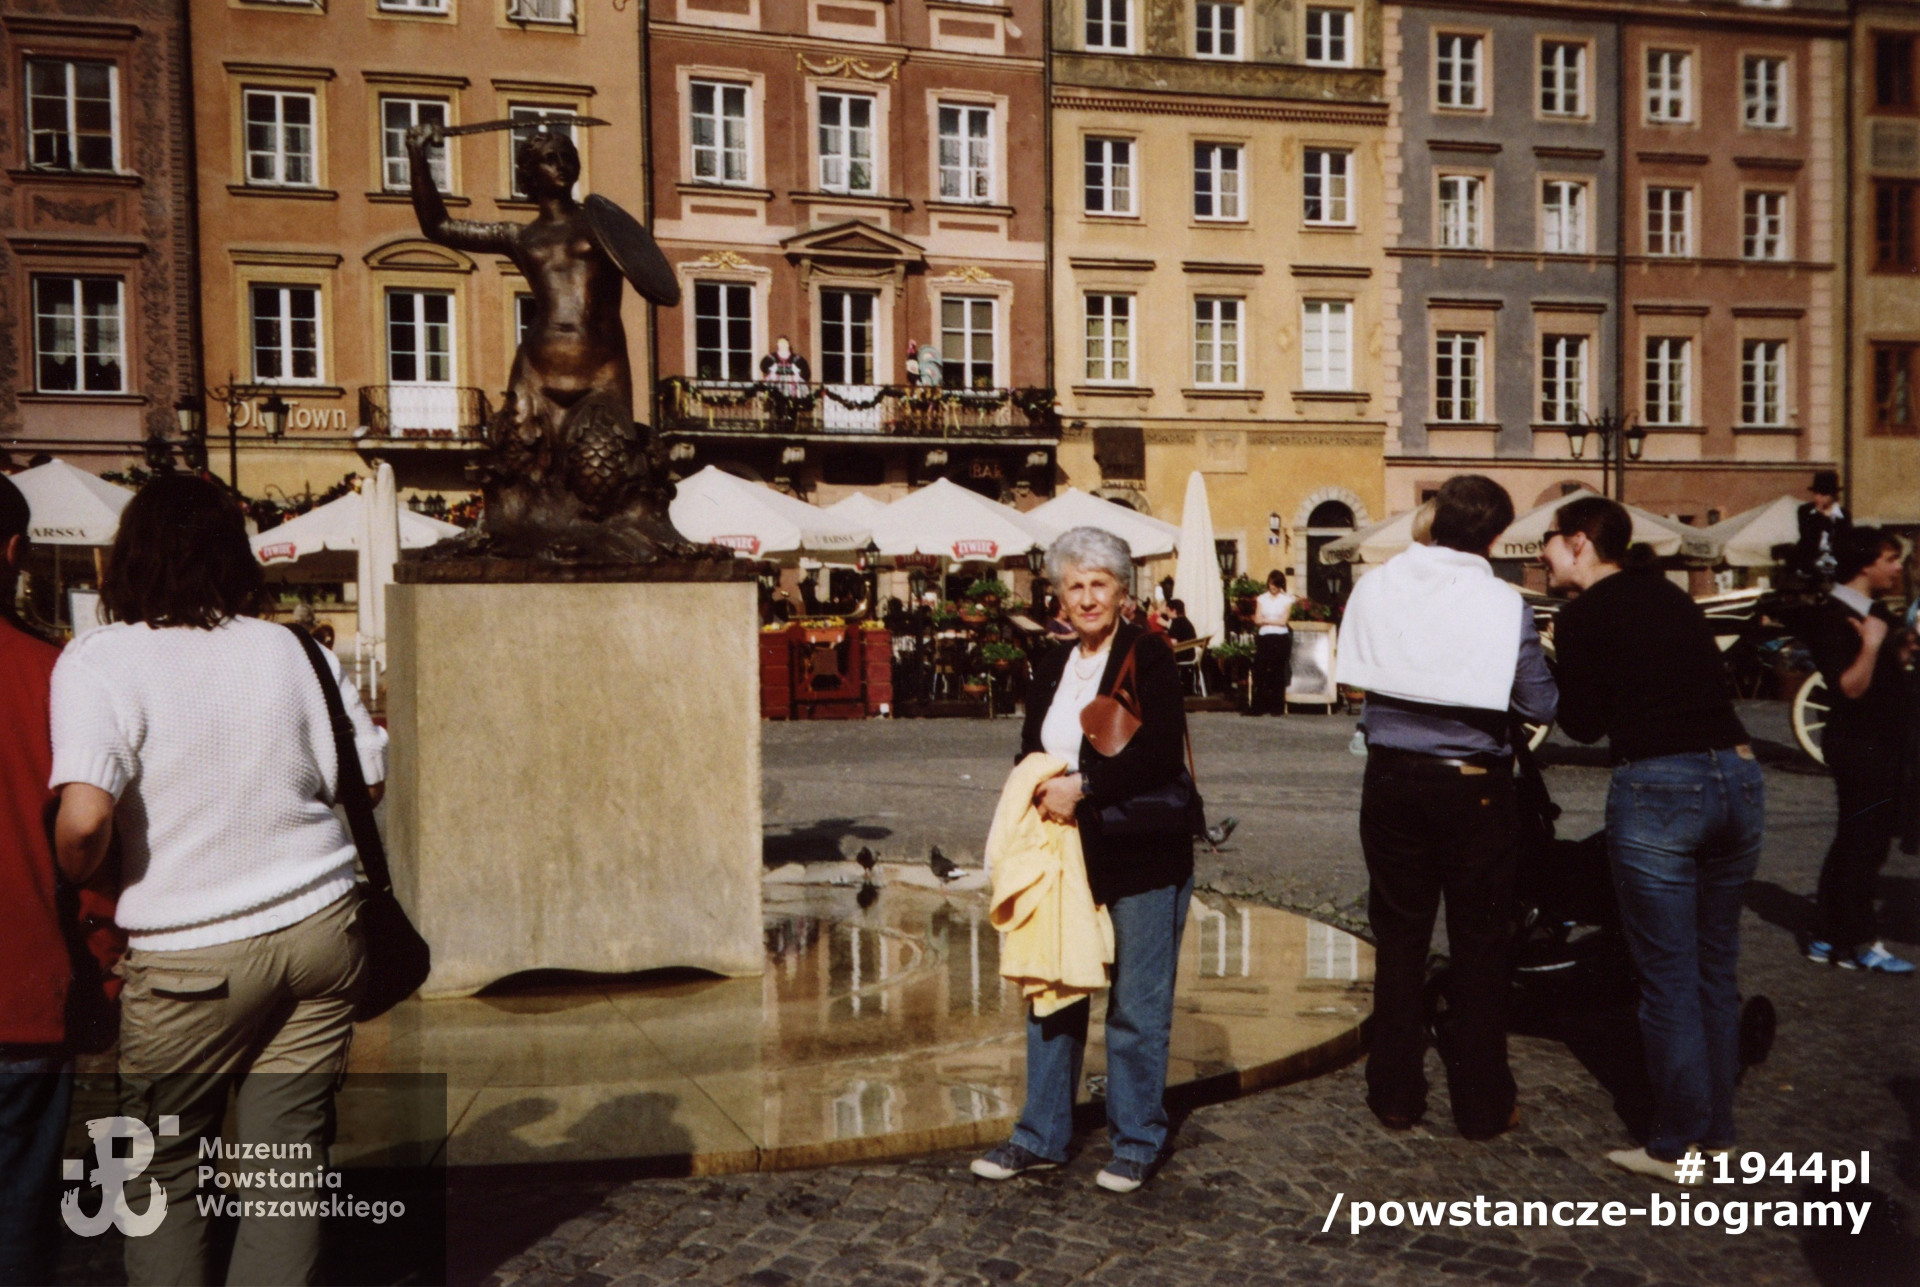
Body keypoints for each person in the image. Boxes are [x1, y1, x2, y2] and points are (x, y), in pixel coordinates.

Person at [50, 475, 388, 1285]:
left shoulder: (100, 657)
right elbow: (366, 779)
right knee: (285, 1162)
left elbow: (87, 821)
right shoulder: (293, 647)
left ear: (128, 558)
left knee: (161, 1169)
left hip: (190, 955)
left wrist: (79, 870)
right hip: (321, 929)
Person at [1542, 496, 1762, 1180]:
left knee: (1665, 975)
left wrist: (1553, 658)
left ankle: (1675, 1145)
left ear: (1579, 542)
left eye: (1548, 541)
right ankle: (1718, 1134)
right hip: (1737, 778)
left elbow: (1579, 725)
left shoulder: (1580, 617)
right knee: (1713, 967)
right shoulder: (1669, 597)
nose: (1542, 553)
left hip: (1661, 785)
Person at [971, 526, 1194, 1194]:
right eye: (1075, 585)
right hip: (1063, 851)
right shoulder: (1052, 662)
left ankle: (1136, 1140)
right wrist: (1037, 782)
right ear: (1060, 598)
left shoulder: (1147, 654)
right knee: (1053, 989)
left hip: (1141, 850)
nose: (1088, 596)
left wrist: (1085, 787)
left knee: (1136, 1006)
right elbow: (1028, 745)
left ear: (1123, 591)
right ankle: (1039, 1136)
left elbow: (1156, 755)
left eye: (1100, 583)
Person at [1335, 475, 1558, 1140]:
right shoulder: (1502, 602)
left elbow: (1355, 679)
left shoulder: (1375, 584)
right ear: (1494, 536)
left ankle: (1395, 1092)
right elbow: (1541, 705)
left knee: (1399, 938)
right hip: (1473, 786)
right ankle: (1483, 1103)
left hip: (1393, 780)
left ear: (1432, 519)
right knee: (1480, 944)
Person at [0, 474, 70, 1286]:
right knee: (18, 1216)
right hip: (21, 993)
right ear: (14, 554)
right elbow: (81, 831)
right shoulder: (52, 672)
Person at [1803, 527, 1917, 973]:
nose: (1897, 567)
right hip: (1859, 744)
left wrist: (1900, 650)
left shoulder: (1873, 610)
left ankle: (1828, 934)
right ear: (1866, 564)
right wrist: (1872, 644)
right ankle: (1859, 939)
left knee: (1860, 842)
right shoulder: (1831, 615)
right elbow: (1850, 686)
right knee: (1862, 844)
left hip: (1883, 742)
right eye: (1890, 559)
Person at [1249, 571, 1295, 715]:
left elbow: (1283, 621)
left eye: (1275, 584)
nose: (1272, 587)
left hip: (1280, 638)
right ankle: (1258, 706)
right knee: (1260, 671)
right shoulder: (1262, 599)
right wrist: (1273, 621)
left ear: (1280, 585)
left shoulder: (1286, 600)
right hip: (1265, 637)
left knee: (1277, 672)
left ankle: (1276, 707)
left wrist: (1266, 620)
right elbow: (1257, 619)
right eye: (1270, 584)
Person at [1793, 470, 1852, 581]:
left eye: (1823, 495)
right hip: (1810, 563)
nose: (1817, 498)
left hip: (1833, 563)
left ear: (1832, 495)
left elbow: (1844, 541)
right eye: (1816, 494)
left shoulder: (1843, 515)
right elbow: (1807, 537)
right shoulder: (1805, 511)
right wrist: (1818, 515)